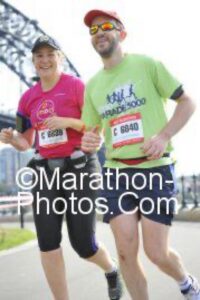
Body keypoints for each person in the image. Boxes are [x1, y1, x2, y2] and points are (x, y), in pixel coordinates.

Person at [81, 9, 200, 300]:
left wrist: (164, 135)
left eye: (106, 26)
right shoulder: (93, 86)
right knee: (124, 254)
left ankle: (186, 282)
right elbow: (92, 132)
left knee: (156, 253)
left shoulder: (147, 65)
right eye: (93, 30)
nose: (99, 33)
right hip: (117, 172)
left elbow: (187, 102)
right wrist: (89, 140)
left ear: (121, 33)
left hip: (155, 168)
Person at [0, 35, 122, 300]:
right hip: (45, 172)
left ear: (60, 58)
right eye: (39, 56)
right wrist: (12, 139)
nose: (44, 60)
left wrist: (66, 121)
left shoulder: (77, 87)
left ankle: (111, 269)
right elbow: (26, 142)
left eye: (50, 55)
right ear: (33, 62)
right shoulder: (27, 100)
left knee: (84, 245)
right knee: (47, 242)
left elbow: (96, 126)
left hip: (79, 168)